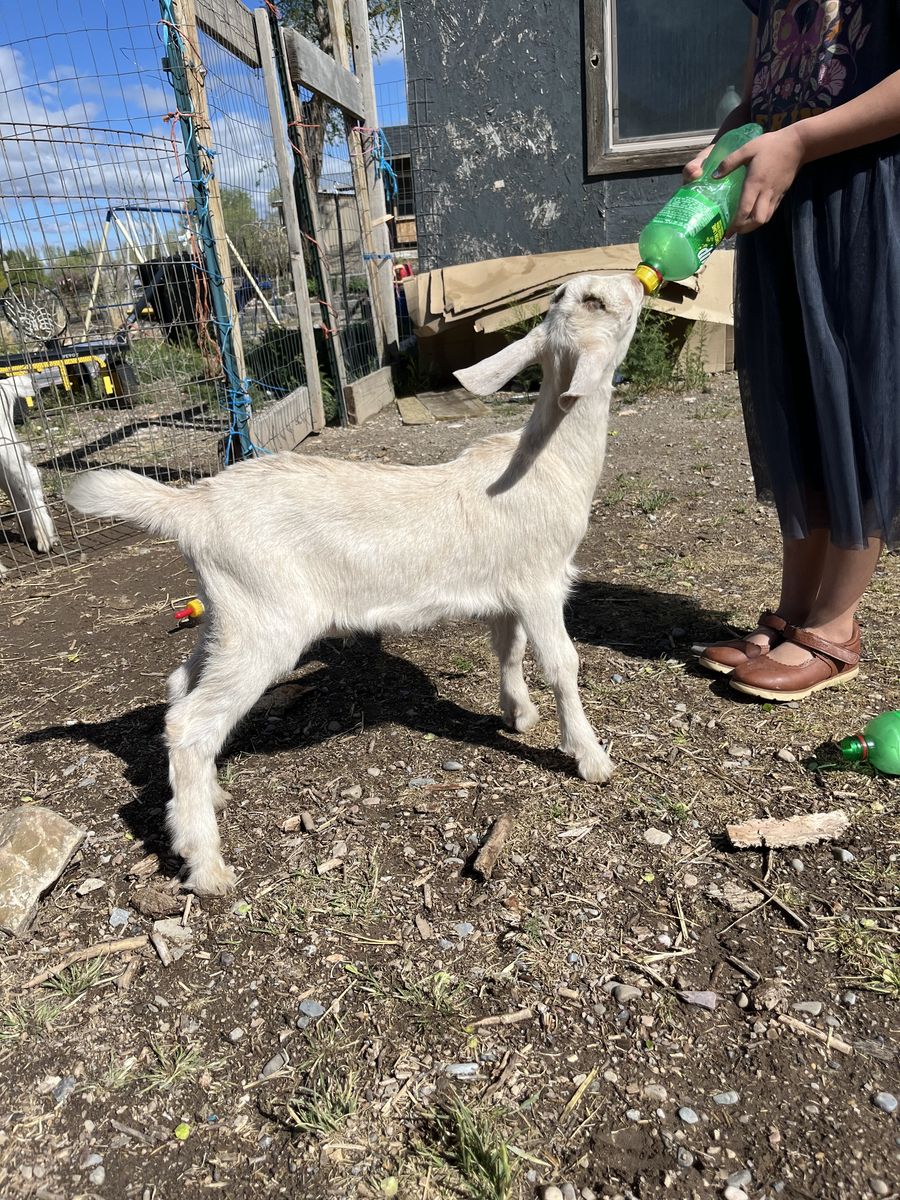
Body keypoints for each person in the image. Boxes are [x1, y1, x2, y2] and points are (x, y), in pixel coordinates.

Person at [694, 0, 900, 702]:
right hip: (780, 195)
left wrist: (803, 141)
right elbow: (760, 90)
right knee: (797, 398)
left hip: (864, 192)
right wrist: (724, 148)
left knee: (855, 395)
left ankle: (836, 623)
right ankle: (798, 605)